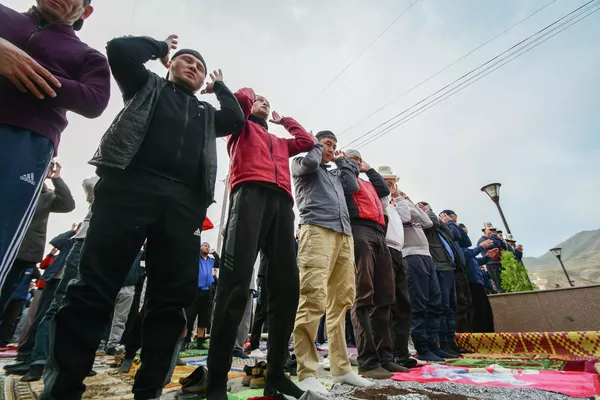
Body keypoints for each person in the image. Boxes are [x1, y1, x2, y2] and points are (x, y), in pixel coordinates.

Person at [40, 33, 245, 400]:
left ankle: (148, 391)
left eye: (200, 67)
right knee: (93, 287)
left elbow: (235, 119)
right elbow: (119, 50)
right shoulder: (146, 85)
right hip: (128, 189)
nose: (194, 68)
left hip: (183, 204)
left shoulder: (206, 113)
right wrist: (160, 48)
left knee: (171, 300)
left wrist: (221, 88)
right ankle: (63, 389)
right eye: (187, 61)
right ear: (170, 66)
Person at [207, 88, 313, 400]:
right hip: (249, 194)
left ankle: (276, 376)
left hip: (282, 204)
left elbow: (306, 142)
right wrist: (250, 97)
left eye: (267, 100)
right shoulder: (239, 127)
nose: (264, 102)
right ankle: (216, 380)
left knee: (287, 288)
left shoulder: (280, 141)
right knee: (235, 285)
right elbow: (239, 101)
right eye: (259, 100)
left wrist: (285, 121)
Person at [0, 1, 110, 286]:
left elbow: (94, 100)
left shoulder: (88, 56)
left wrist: (29, 70)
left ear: (85, 11)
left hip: (25, 140)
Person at [292, 131, 371, 394]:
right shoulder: (302, 162)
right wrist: (317, 148)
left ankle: (341, 369)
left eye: (335, 145)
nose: (331, 148)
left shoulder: (336, 174)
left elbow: (353, 185)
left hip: (344, 234)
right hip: (316, 229)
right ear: (316, 143)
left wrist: (341, 160)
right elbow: (310, 163)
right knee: (313, 297)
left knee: (341, 301)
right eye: (328, 144)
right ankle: (306, 371)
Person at [6, 177, 96, 381]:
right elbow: (90, 183)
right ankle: (37, 360)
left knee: (89, 308)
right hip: (84, 244)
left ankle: (73, 359)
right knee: (55, 308)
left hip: (110, 246)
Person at [344, 150, 406, 379]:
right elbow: (349, 185)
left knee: (385, 296)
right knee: (363, 293)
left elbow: (384, 191)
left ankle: (385, 357)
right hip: (358, 229)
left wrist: (369, 169)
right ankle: (368, 361)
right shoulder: (343, 177)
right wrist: (346, 164)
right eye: (352, 159)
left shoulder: (368, 183)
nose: (356, 163)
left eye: (358, 160)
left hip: (379, 232)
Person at [0, 161, 75, 322]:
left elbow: (68, 205)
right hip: (5, 243)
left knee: (5, 294)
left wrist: (57, 179)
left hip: (23, 251)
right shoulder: (16, 183)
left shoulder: (48, 195)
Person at [377, 166, 415, 369]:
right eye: (386, 181)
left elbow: (406, 216)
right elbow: (382, 199)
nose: (390, 185)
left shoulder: (392, 204)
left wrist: (398, 196)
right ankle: (386, 353)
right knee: (387, 302)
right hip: (384, 249)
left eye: (392, 181)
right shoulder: (378, 197)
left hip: (398, 252)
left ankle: (401, 353)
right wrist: (385, 189)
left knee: (403, 304)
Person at [400, 194, 444, 362]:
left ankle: (434, 345)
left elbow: (428, 222)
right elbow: (404, 217)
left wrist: (410, 202)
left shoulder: (410, 207)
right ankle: (422, 347)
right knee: (419, 303)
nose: (402, 195)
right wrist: (400, 200)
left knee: (435, 301)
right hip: (411, 255)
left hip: (427, 256)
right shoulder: (396, 208)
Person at [438, 210, 475, 337]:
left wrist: (454, 224)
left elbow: (467, 242)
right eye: (454, 218)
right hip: (452, 270)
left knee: (468, 304)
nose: (456, 220)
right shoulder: (444, 228)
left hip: (461, 270)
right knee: (460, 304)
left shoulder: (453, 226)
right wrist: (449, 224)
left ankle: (470, 335)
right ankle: (461, 337)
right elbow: (454, 236)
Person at [459, 224, 497, 333]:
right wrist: (481, 247)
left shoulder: (466, 249)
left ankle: (489, 334)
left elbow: (475, 261)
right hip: (470, 283)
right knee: (478, 311)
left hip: (478, 282)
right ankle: (481, 335)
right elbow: (467, 255)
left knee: (485, 310)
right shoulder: (458, 248)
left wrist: (487, 257)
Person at [105, 251, 143, 355]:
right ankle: (105, 343)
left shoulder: (140, 250)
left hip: (127, 285)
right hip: (112, 284)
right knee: (107, 316)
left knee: (121, 318)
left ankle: (112, 345)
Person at [185, 243, 219, 349]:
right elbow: (191, 256)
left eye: (208, 246)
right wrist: (199, 251)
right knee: (190, 316)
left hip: (207, 292)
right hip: (196, 290)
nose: (207, 247)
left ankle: (200, 341)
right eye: (205, 245)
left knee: (204, 317)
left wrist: (215, 254)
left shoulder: (210, 260)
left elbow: (219, 263)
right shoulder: (197, 259)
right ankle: (185, 340)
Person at [477, 223, 506, 293]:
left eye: (493, 231)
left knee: (504, 282)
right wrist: (494, 236)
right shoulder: (482, 240)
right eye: (490, 231)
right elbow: (496, 244)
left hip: (499, 262)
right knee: (499, 283)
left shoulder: (493, 238)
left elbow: (503, 246)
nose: (493, 232)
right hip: (492, 263)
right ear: (485, 232)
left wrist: (499, 238)